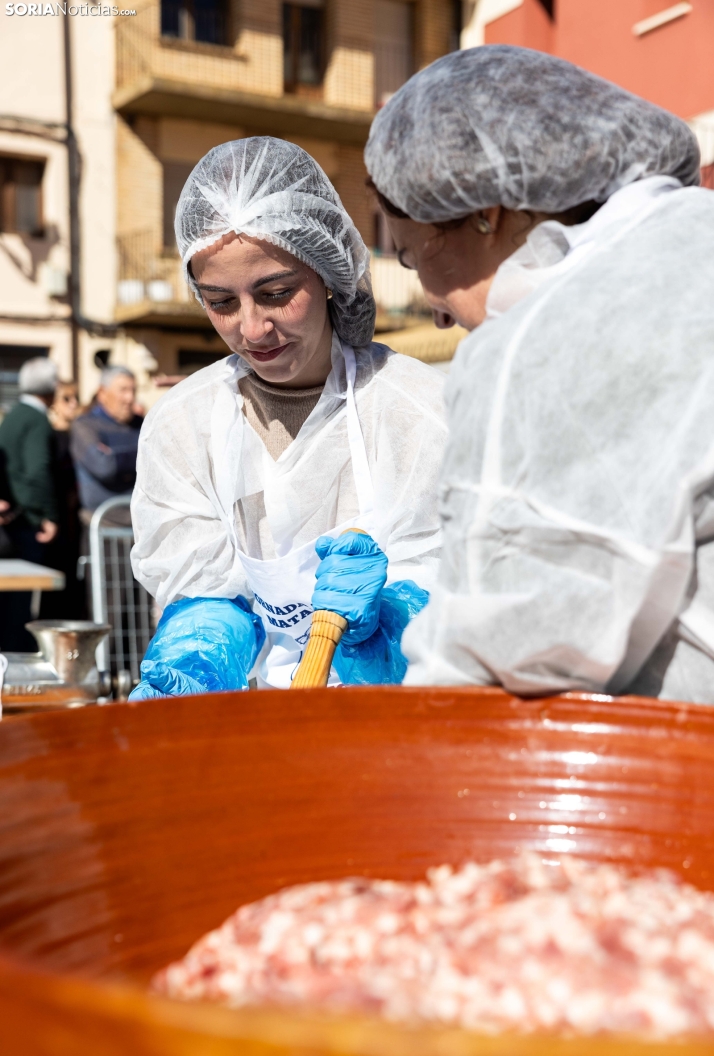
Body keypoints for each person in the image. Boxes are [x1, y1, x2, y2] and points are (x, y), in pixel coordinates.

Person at [364, 44, 714, 703]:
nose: (436, 311)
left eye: (412, 258)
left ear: (484, 213)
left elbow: (497, 663)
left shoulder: (544, 341)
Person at [129, 136, 447, 697]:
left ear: (328, 273)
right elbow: (204, 589)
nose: (252, 329)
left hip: (398, 715)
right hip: (263, 717)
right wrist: (200, 650)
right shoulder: (184, 424)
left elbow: (448, 591)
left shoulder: (414, 409)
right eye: (221, 302)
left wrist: (385, 625)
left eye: (276, 293)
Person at [0, 357, 59, 651]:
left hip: (13, 519)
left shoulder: (13, 415)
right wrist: (48, 514)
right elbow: (37, 470)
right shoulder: (36, 419)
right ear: (50, 388)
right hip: (25, 521)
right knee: (21, 603)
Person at [70, 366, 142, 519]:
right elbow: (104, 467)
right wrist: (143, 455)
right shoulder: (85, 425)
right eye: (123, 390)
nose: (130, 398)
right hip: (104, 523)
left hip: (142, 522)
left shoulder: (143, 424)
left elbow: (160, 462)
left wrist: (115, 456)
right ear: (102, 393)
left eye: (133, 390)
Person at [43, 380, 85, 620]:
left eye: (75, 397)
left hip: (78, 515)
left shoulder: (81, 432)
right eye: (66, 398)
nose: (73, 404)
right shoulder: (50, 435)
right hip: (60, 515)